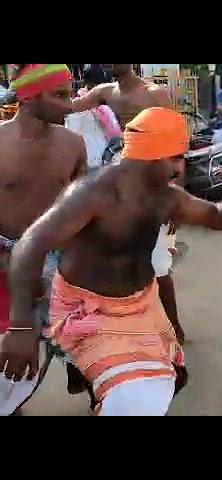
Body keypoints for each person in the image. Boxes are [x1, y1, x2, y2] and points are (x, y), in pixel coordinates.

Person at [0, 107, 222, 416]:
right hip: (89, 310)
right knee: (138, 399)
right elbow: (29, 246)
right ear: (149, 156)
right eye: (174, 158)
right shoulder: (93, 193)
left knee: (168, 379)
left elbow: (218, 217)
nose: (180, 169)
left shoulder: (166, 196)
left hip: (140, 306)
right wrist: (19, 327)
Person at [71, 64, 184, 345]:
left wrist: (176, 196)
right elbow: (67, 107)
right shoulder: (106, 92)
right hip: (126, 187)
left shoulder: (154, 94)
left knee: (158, 265)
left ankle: (175, 329)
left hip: (156, 185)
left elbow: (178, 144)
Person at [0, 64, 87, 416]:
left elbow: (80, 211)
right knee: (12, 353)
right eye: (60, 95)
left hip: (52, 260)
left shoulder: (73, 144)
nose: (70, 105)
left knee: (75, 340)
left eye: (70, 93)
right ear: (28, 97)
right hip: (3, 256)